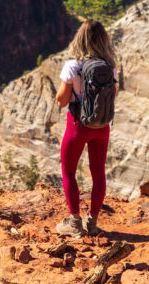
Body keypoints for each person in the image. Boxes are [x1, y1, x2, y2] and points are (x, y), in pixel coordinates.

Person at [54, 19, 119, 237]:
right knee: (98, 174)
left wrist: (74, 90)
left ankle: (74, 224)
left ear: (80, 39)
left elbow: (61, 101)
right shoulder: (110, 67)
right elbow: (113, 95)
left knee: (69, 172)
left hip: (77, 126)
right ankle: (93, 222)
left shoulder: (73, 66)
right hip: (102, 127)